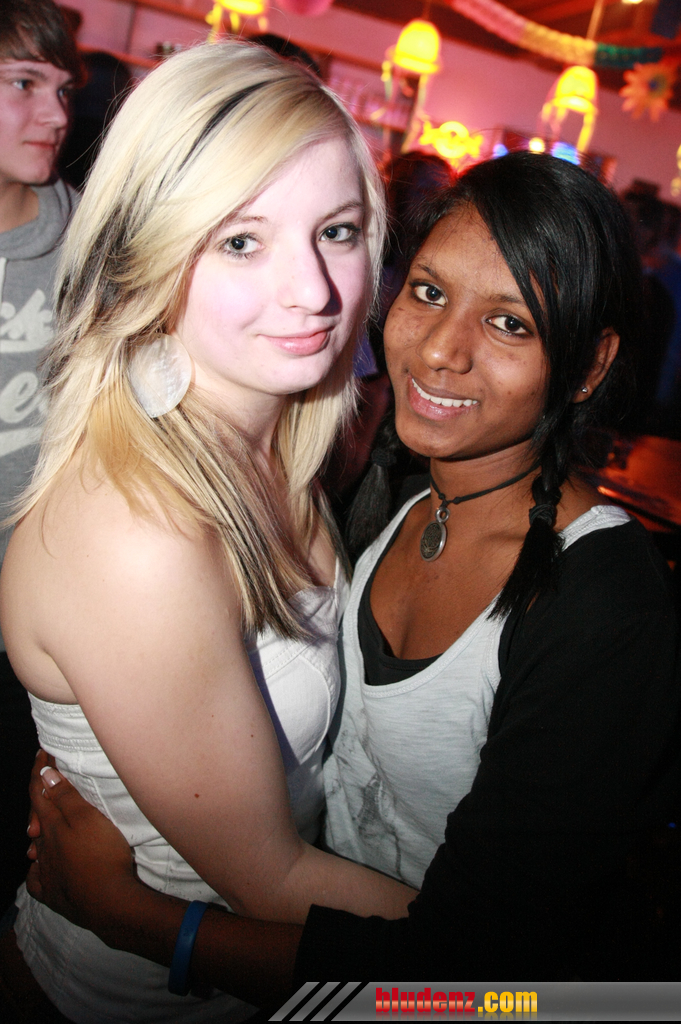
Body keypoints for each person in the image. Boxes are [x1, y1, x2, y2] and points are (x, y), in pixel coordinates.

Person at [21, 153, 680, 1002]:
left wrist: (139, 921)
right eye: (429, 293)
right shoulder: (398, 503)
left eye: (509, 324)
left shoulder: (605, 608)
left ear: (588, 365)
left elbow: (480, 975)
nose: (440, 351)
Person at [0, 41, 418, 1024]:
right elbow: (272, 880)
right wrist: (545, 980)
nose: (313, 291)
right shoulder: (138, 536)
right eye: (239, 241)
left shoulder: (275, 443)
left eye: (337, 231)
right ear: (148, 251)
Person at [0, 0, 82, 919]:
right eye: (24, 83)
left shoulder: (86, 241)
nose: (55, 114)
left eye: (62, 89)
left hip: (37, 618)